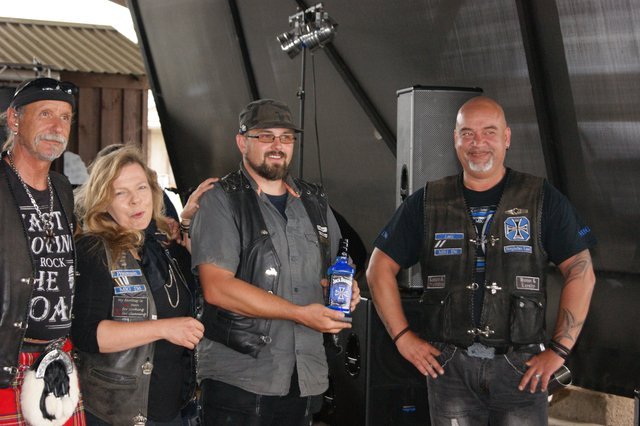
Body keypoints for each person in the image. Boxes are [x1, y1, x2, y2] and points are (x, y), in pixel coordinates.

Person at [367, 96, 597, 425]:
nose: (478, 143)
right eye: (468, 133)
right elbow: (378, 268)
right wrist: (403, 338)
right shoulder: (428, 202)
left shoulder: (541, 198)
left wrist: (559, 350)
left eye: (489, 132)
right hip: (449, 369)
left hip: (521, 368)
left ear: (507, 137)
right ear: (455, 139)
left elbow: (581, 271)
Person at [190, 99, 360, 426]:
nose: (277, 146)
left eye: (286, 137)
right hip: (240, 379)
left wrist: (348, 288)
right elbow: (217, 288)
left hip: (305, 376)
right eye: (265, 136)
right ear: (242, 142)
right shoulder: (221, 200)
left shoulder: (314, 201)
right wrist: (299, 313)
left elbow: (339, 264)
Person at [71, 146, 204, 425]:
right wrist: (164, 328)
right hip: (117, 412)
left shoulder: (160, 246)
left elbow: (198, 289)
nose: (135, 200)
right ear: (103, 201)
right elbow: (87, 335)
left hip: (173, 408)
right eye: (121, 193)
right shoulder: (94, 249)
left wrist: (187, 228)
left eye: (142, 188)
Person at [0, 77, 84, 425]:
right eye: (46, 113)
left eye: (65, 117)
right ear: (14, 119)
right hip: (7, 361)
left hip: (58, 359)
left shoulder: (62, 189)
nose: (57, 127)